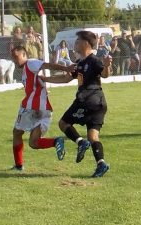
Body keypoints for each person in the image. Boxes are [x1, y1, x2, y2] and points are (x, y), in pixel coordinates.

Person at [40, 31, 112, 177]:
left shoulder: (93, 60)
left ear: (86, 43)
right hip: (99, 103)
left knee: (63, 123)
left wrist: (106, 66)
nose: (75, 43)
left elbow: (104, 74)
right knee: (93, 136)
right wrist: (45, 79)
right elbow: (66, 79)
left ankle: (80, 142)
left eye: (78, 40)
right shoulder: (79, 63)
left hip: (88, 100)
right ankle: (101, 163)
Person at [10, 45, 76, 171]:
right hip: (44, 110)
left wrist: (65, 68)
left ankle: (18, 165)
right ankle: (56, 142)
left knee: (17, 133)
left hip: (30, 108)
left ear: (24, 54)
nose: (14, 59)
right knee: (33, 143)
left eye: (16, 56)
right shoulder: (27, 71)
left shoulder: (31, 63)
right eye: (12, 57)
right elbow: (40, 83)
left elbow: (47, 65)